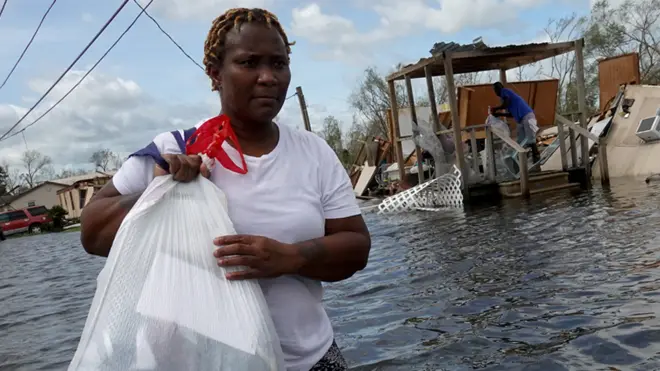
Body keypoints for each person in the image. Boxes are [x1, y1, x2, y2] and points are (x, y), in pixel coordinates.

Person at [79, 8, 371, 371]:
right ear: (216, 75)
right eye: (249, 63)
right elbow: (92, 234)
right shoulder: (175, 149)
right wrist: (158, 193)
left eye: (278, 64)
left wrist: (290, 258)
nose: (268, 77)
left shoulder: (314, 153)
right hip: (203, 362)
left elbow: (357, 246)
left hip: (309, 359)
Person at [490, 82, 541, 163]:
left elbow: (506, 104)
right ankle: (524, 159)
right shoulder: (505, 99)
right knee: (521, 141)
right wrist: (498, 114)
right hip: (521, 119)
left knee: (530, 138)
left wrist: (496, 109)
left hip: (527, 116)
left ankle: (536, 157)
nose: (495, 91)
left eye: (495, 89)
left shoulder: (505, 91)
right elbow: (511, 114)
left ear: (499, 88)